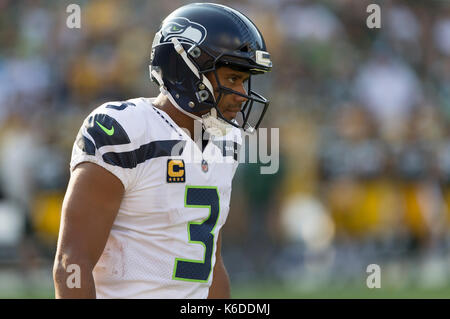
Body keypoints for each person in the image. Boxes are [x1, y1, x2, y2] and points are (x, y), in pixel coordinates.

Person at [53, 3, 272, 298]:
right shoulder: (124, 129)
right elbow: (72, 261)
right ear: (186, 69)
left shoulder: (226, 139)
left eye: (245, 81)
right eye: (233, 78)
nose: (243, 95)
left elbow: (210, 265)